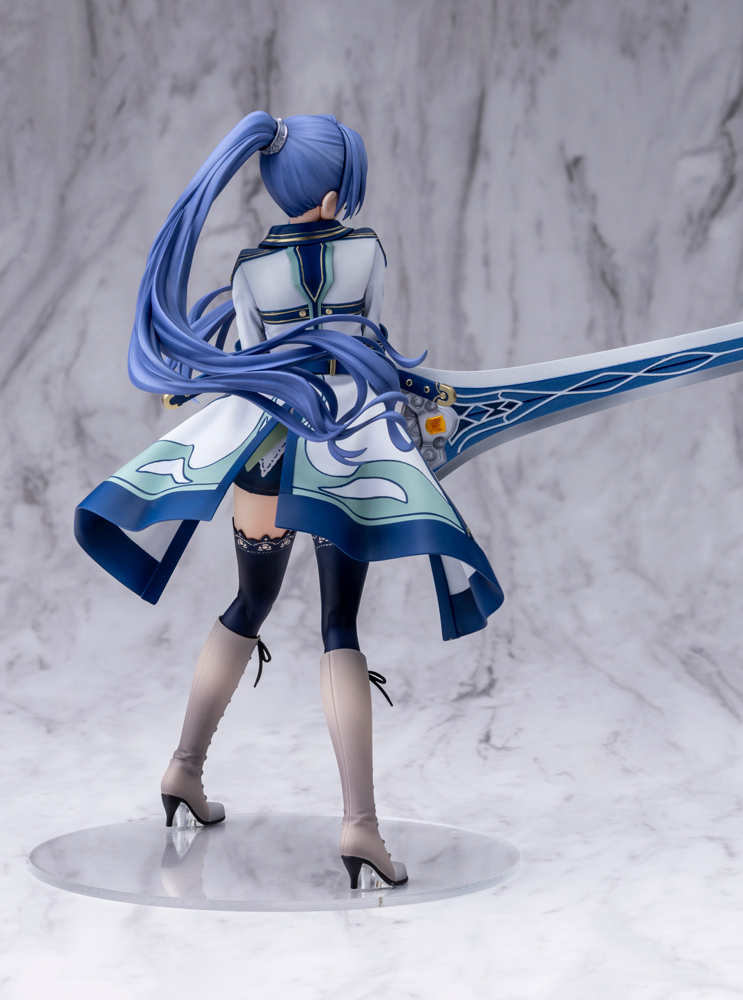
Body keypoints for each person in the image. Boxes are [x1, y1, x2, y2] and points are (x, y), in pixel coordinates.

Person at [75, 112, 504, 890]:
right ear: (335, 195)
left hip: (267, 453)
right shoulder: (366, 252)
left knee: (249, 604)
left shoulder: (250, 269)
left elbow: (253, 358)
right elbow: (370, 343)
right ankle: (360, 827)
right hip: (345, 452)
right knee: (339, 624)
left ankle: (183, 769)